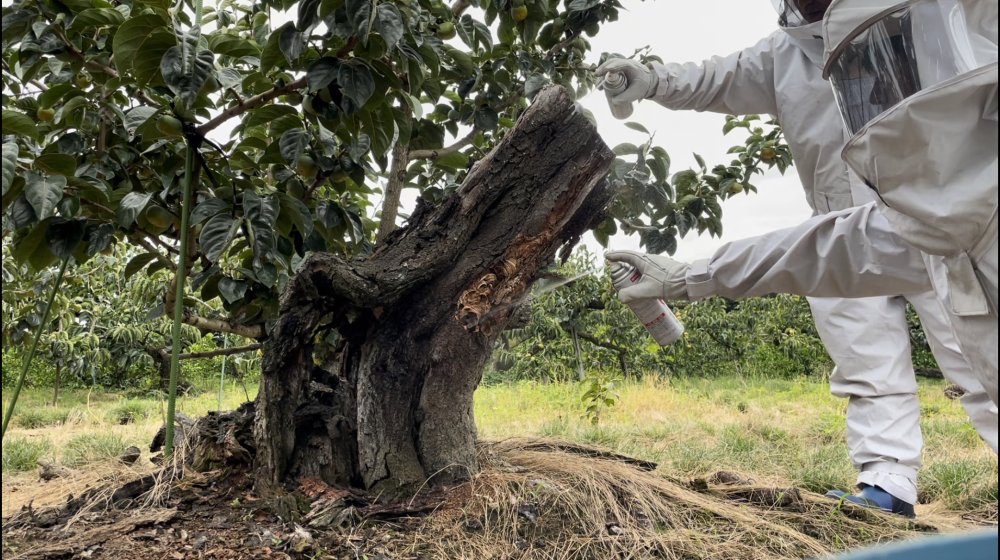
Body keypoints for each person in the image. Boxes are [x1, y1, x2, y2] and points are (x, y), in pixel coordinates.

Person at [595, 0, 998, 517]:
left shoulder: (924, 22)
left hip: (939, 217)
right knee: (866, 360)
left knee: (974, 351)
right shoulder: (782, 55)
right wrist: (654, 80)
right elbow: (716, 78)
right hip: (865, 224)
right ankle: (887, 480)